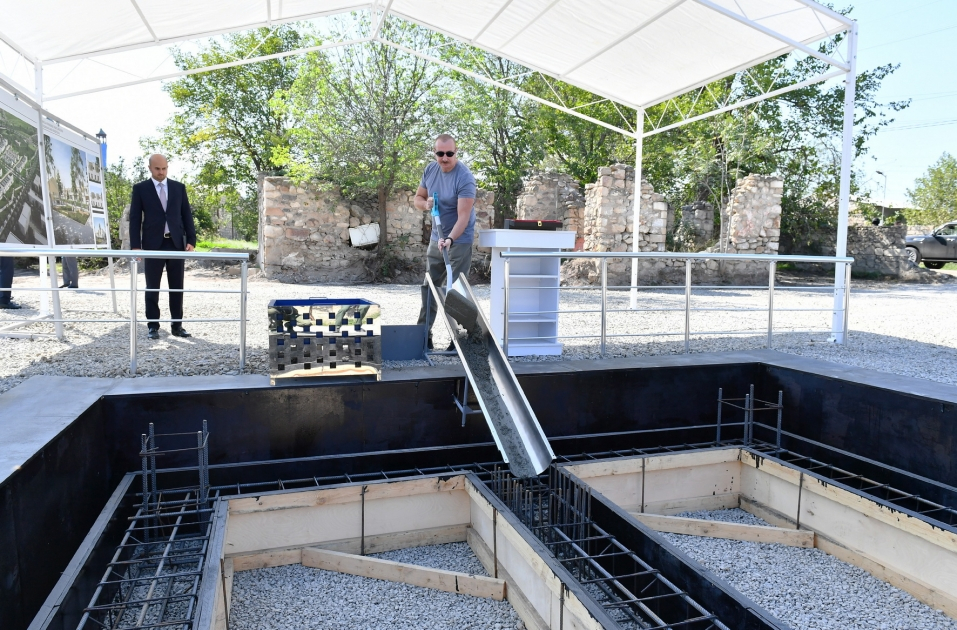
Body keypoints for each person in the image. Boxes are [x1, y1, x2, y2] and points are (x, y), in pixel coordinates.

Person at [413, 134, 476, 350]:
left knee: (456, 289)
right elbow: (418, 198)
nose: (445, 158)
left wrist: (450, 239)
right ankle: (423, 335)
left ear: (456, 152)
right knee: (429, 286)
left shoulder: (465, 178)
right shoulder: (430, 170)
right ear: (435, 153)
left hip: (459, 239)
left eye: (449, 153)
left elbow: (463, 217)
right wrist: (426, 205)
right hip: (436, 238)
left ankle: (459, 338)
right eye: (440, 153)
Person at [129, 154, 196, 340]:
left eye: (164, 168)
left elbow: (186, 214)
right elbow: (135, 218)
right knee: (152, 287)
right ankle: (153, 326)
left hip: (175, 243)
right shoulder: (140, 189)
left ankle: (177, 325)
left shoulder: (178, 188)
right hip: (152, 245)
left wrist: (191, 240)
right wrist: (135, 246)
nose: (161, 172)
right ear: (150, 168)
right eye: (157, 169)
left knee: (177, 287)